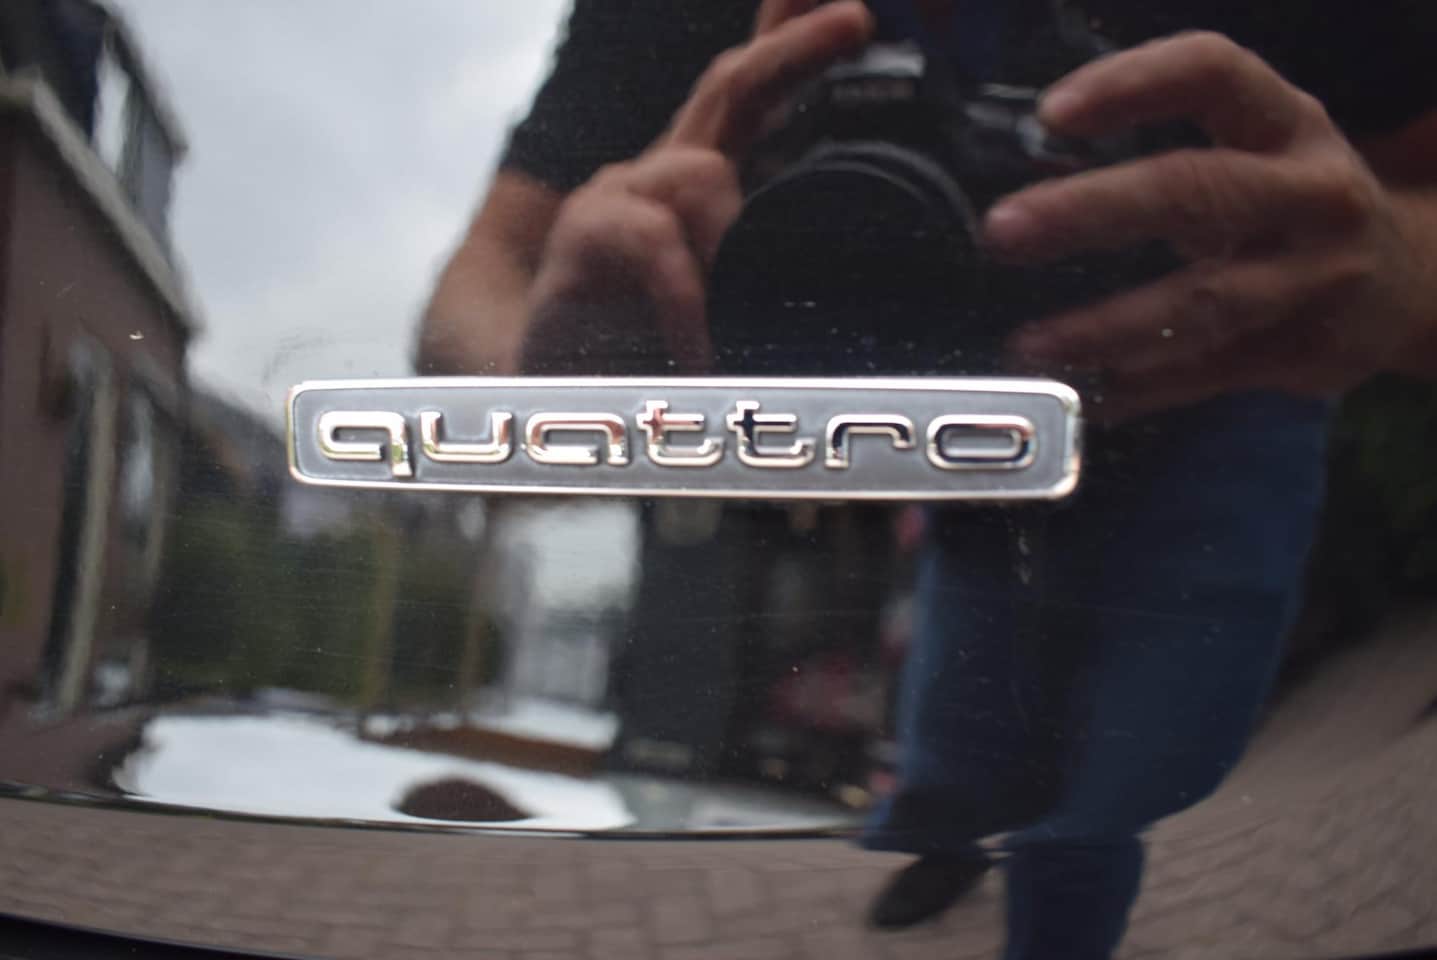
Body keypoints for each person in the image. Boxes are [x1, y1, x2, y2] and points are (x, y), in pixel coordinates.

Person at [418, 1, 1437, 957]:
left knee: (1138, 768)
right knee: (959, 715)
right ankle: (944, 839)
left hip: (1225, 399)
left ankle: (1054, 917)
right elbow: (479, 280)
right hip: (972, 446)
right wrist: (554, 376)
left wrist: (1393, 262)